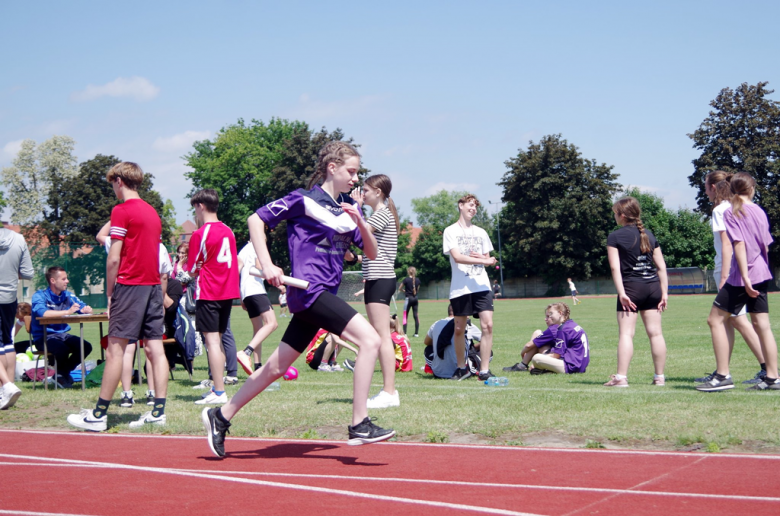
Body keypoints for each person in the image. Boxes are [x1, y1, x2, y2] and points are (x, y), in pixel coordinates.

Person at [201, 141, 394, 458]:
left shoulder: (348, 211)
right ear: (332, 168)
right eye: (351, 171)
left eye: (358, 173)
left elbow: (371, 252)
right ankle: (360, 423)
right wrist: (267, 264)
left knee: (275, 368)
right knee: (371, 340)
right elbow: (255, 221)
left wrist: (359, 220)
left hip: (322, 295)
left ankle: (220, 416)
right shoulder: (302, 200)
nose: (356, 179)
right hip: (308, 292)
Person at [67, 162, 169, 430]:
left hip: (130, 284)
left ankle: (99, 415)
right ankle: (158, 411)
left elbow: (113, 259)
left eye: (112, 182)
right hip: (152, 286)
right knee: (154, 348)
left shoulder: (121, 211)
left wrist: (110, 295)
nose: (113, 187)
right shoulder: (152, 212)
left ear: (120, 181)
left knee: (115, 350)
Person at [697, 172, 779, 392]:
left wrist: (744, 277)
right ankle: (773, 377)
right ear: (751, 188)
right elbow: (766, 245)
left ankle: (722, 376)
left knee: (715, 320)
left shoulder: (732, 212)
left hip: (741, 276)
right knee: (763, 326)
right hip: (762, 273)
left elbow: (738, 245)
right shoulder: (760, 211)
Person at [97, 221, 176, 407]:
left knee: (126, 348)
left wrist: (114, 221)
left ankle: (126, 393)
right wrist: (161, 300)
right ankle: (153, 394)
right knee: (154, 348)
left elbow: (100, 236)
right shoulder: (159, 245)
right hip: (153, 293)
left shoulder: (122, 242)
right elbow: (164, 275)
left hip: (128, 293)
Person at [604, 197, 668, 388]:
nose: (614, 216)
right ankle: (660, 377)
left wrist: (622, 293)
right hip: (653, 287)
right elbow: (661, 267)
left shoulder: (614, 237)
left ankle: (621, 378)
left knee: (626, 334)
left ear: (622, 215)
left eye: (615, 213)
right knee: (656, 334)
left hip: (631, 288)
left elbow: (615, 269)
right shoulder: (648, 234)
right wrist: (665, 293)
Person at [186, 189, 240, 405]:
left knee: (212, 342)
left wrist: (197, 267)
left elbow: (191, 269)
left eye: (195, 208)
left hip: (209, 292)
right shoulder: (229, 230)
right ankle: (219, 387)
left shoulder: (201, 234)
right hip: (227, 292)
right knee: (217, 340)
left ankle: (218, 391)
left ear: (200, 205)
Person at [351, 174, 400, 409]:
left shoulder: (380, 215)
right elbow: (373, 250)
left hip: (381, 279)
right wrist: (354, 259)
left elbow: (359, 230)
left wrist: (355, 207)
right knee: (377, 336)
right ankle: (386, 390)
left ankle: (389, 392)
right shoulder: (378, 215)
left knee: (382, 337)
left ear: (378, 192)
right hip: (374, 278)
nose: (363, 194)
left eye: (366, 191)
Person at [443, 193, 497, 381]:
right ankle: (461, 367)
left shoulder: (481, 232)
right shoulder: (450, 231)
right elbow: (457, 257)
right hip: (461, 287)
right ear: (460, 205)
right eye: (470, 205)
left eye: (475, 206)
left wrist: (486, 260)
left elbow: (489, 258)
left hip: (481, 284)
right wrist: (482, 260)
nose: (473, 209)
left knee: (487, 325)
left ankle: (484, 370)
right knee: (459, 328)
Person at [30, 267, 94, 389]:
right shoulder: (39, 295)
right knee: (62, 349)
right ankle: (61, 376)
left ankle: (61, 374)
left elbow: (82, 308)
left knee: (85, 346)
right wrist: (68, 311)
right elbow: (43, 313)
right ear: (53, 280)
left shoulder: (68, 295)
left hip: (63, 335)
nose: (67, 281)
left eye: (67, 278)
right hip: (44, 337)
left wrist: (86, 310)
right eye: (63, 279)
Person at [0, 226, 33, 410]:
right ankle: (8, 389)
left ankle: (6, 385)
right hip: (9, 297)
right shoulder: (19, 239)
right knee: (6, 342)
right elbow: (28, 273)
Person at [236, 241, 279, 374]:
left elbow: (237, 270)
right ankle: (245, 352)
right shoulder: (257, 246)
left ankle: (258, 366)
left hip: (247, 293)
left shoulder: (243, 250)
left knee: (258, 329)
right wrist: (277, 279)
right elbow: (260, 268)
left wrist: (241, 295)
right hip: (256, 290)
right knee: (272, 324)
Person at [521, 303, 588, 375]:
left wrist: (537, 363)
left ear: (560, 313)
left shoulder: (563, 329)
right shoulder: (571, 324)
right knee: (542, 352)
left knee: (536, 358)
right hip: (580, 366)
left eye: (551, 314)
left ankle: (545, 371)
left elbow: (556, 355)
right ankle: (546, 371)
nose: (549, 316)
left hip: (571, 367)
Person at [423, 304, 482, 379]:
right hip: (460, 370)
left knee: (428, 349)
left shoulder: (436, 324)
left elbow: (427, 342)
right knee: (488, 352)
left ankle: (437, 366)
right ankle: (473, 368)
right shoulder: (467, 325)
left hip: (438, 373)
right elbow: (486, 342)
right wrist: (473, 348)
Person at [398, 266, 421, 336]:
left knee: (405, 316)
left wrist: (404, 291)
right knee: (416, 316)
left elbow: (400, 288)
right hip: (415, 299)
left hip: (408, 299)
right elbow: (417, 290)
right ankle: (416, 333)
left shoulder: (406, 280)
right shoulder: (418, 280)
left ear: (408, 272)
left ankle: (405, 333)